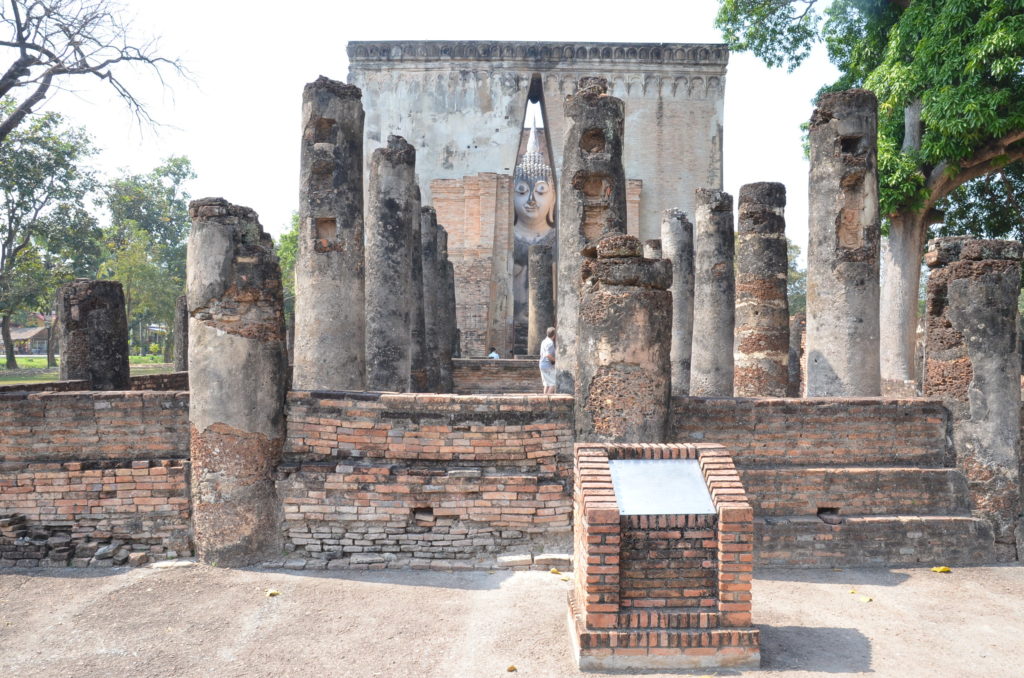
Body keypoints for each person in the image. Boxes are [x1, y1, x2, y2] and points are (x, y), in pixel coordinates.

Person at [539, 327, 556, 394]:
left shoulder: (544, 341)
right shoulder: (550, 343)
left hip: (542, 364)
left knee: (547, 384)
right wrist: (556, 361)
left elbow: (541, 354)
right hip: (547, 365)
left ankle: (544, 401)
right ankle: (547, 402)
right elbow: (548, 355)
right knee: (553, 384)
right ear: (554, 335)